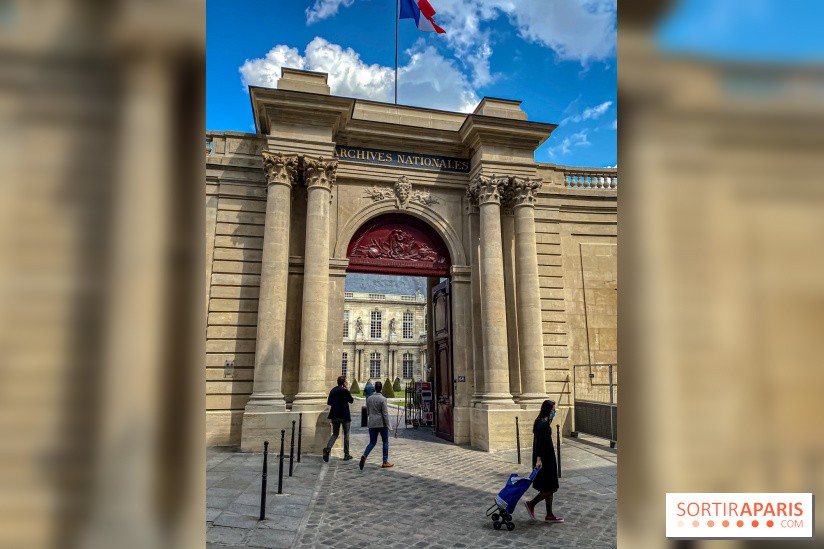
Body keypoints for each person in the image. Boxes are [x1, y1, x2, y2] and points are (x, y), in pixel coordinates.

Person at [524, 400, 563, 523]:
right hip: (545, 460)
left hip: (548, 457)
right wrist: (539, 460)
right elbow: (540, 443)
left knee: (549, 486)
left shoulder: (544, 422)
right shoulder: (542, 424)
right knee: (552, 487)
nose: (554, 412)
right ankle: (531, 504)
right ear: (548, 410)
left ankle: (549, 514)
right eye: (553, 410)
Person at [359, 381, 393, 470]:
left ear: (375, 389)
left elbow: (368, 412)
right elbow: (385, 413)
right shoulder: (383, 399)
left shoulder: (369, 399)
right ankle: (385, 462)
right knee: (385, 442)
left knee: (372, 442)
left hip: (372, 423)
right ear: (381, 389)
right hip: (381, 424)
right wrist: (389, 426)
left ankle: (364, 455)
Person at [323, 376, 354, 462]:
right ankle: (346, 454)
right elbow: (351, 400)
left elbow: (329, 402)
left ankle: (327, 449)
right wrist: (347, 390)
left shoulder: (333, 390)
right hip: (344, 415)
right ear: (344, 383)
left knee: (335, 434)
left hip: (335, 415)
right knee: (346, 435)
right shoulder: (344, 391)